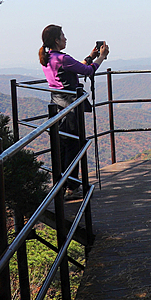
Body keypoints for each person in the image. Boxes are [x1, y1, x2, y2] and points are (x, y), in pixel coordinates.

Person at [39, 25, 109, 191]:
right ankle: (72, 186)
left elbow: (75, 67)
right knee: (73, 145)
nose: (65, 38)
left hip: (56, 104)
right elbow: (87, 71)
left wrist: (91, 56)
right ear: (56, 40)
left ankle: (61, 185)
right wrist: (101, 57)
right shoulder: (62, 58)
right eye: (63, 35)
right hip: (70, 105)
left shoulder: (48, 57)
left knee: (62, 144)